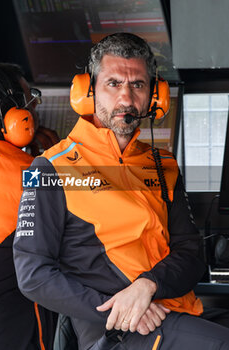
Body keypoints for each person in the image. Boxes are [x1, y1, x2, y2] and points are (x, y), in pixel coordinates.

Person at [13, 33, 229, 350]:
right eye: (113, 84)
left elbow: (191, 254)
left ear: (155, 95)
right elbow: (33, 275)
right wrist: (123, 310)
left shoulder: (163, 165)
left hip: (176, 310)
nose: (126, 99)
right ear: (87, 92)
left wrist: (148, 285)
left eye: (138, 85)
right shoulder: (47, 168)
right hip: (114, 332)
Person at [0, 63, 57, 350]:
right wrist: (55, 157)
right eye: (28, 99)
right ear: (10, 115)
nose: (35, 107)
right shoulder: (31, 173)